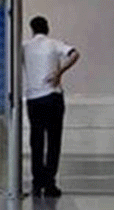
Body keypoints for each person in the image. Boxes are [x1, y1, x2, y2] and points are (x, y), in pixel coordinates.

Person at [22, 16, 81, 198]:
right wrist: (59, 72)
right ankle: (50, 184)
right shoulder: (55, 43)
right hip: (53, 96)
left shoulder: (25, 47)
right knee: (54, 141)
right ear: (47, 28)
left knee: (36, 141)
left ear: (32, 30)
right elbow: (75, 54)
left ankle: (37, 183)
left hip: (33, 99)